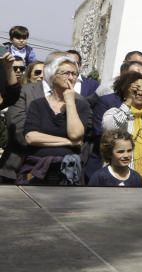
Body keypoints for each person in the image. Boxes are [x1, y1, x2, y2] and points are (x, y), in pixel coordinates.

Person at [19, 54, 92, 184]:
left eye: (74, 74)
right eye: (66, 73)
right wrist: (67, 142)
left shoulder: (81, 105)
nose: (71, 77)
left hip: (68, 171)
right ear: (52, 76)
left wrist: (69, 101)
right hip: (37, 169)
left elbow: (75, 135)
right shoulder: (38, 104)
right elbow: (31, 137)